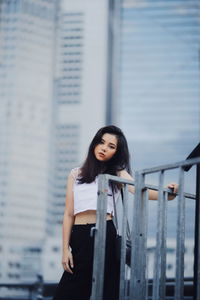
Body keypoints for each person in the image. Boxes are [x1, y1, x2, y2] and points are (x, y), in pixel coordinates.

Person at [52, 125, 178, 300]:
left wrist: (168, 193)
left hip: (106, 233)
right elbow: (68, 214)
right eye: (102, 142)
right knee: (69, 291)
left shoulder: (117, 173)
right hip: (80, 235)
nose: (104, 148)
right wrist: (65, 250)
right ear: (95, 143)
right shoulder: (76, 174)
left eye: (111, 146)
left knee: (106, 290)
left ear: (116, 153)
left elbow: (141, 190)